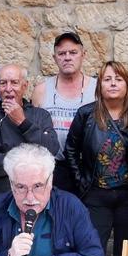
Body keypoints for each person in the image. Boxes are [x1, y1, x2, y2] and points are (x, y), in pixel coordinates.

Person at [0, 143, 103, 256]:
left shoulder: (71, 207)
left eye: (37, 186)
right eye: (21, 187)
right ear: (11, 184)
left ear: (50, 181)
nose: (30, 198)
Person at [65, 60, 128, 256]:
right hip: (96, 194)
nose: (113, 83)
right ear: (99, 85)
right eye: (107, 79)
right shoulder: (86, 114)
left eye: (118, 79)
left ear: (127, 85)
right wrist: (81, 180)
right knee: (93, 250)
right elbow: (70, 149)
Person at [0, 63, 60, 200]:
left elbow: (51, 149)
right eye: (3, 83)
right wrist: (33, 159)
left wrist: (23, 122)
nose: (8, 89)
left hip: (37, 198)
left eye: (14, 83)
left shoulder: (41, 116)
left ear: (25, 86)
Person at [32, 31, 98, 191]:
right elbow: (33, 133)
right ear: (55, 58)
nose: (67, 57)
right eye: (61, 53)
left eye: (73, 52)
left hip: (88, 168)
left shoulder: (97, 89)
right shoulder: (41, 90)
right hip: (52, 169)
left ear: (83, 55)